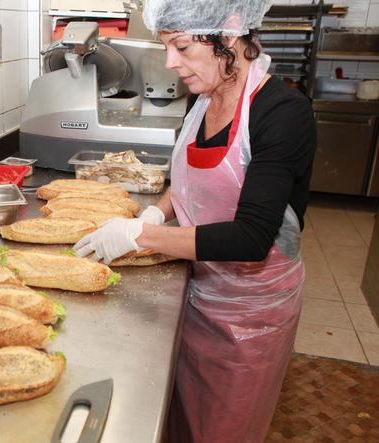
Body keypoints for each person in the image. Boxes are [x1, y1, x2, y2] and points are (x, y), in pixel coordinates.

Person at [74, 1, 316, 442]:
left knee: (224, 429)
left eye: (182, 47)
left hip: (250, 315)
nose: (170, 63)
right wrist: (156, 210)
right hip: (198, 288)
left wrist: (139, 234)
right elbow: (186, 183)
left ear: (231, 31)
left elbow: (251, 239)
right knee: (180, 421)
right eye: (167, 47)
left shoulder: (282, 113)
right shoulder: (202, 101)